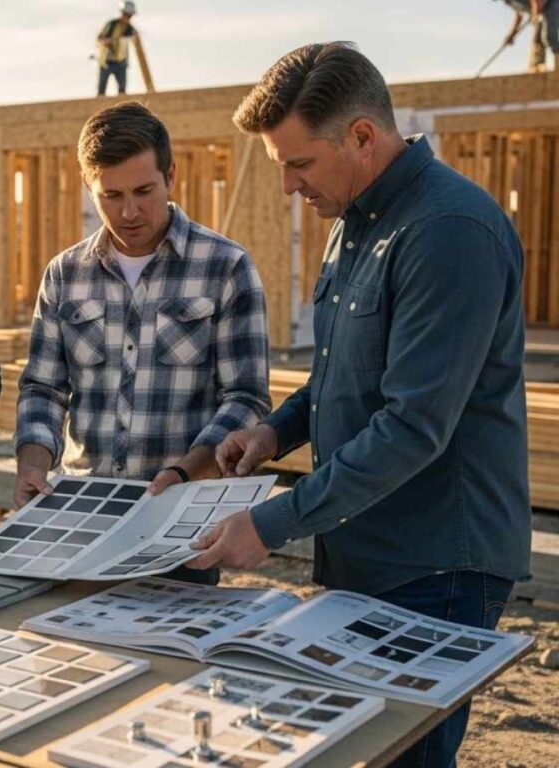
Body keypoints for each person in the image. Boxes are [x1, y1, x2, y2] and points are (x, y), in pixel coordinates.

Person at [189, 42, 532, 767]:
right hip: (369, 546)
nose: (286, 185)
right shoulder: (353, 221)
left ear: (364, 137)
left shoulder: (448, 232)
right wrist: (274, 432)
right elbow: (343, 372)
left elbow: (413, 425)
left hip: (437, 564)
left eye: (299, 163)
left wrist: (273, 521)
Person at [14, 101, 271, 586]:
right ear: (90, 187)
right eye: (110, 196)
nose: (128, 211)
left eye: (143, 191)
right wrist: (33, 461)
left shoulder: (226, 267)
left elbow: (247, 399)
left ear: (170, 175)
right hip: (80, 516)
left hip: (178, 523)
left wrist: (184, 471)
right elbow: (43, 388)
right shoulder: (64, 275)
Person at [500, 0, 559, 70]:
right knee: (539, 39)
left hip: (550, 4)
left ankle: (557, 64)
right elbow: (519, 15)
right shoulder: (510, 2)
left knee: (550, 37)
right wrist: (512, 34)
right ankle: (539, 64)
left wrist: (535, 12)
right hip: (542, 12)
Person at [96, 1, 138, 95]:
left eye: (130, 15)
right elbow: (99, 39)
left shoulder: (130, 29)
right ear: (122, 13)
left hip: (121, 63)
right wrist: (106, 41)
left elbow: (135, 42)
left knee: (122, 90)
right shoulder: (111, 25)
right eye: (126, 14)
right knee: (101, 90)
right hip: (107, 62)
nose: (128, 18)